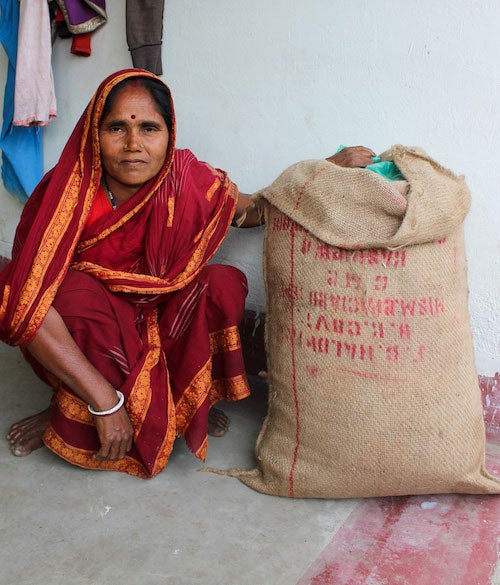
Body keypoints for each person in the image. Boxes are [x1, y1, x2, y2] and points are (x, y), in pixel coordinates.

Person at [1, 68, 375, 478]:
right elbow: (24, 304)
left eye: (149, 128)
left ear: (169, 134)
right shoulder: (67, 192)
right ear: (94, 133)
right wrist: (103, 400)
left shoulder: (186, 179)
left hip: (160, 314)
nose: (133, 145)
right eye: (115, 128)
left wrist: (326, 169)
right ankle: (77, 406)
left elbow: (252, 210)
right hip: (98, 329)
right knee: (62, 294)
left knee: (222, 284)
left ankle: (182, 404)